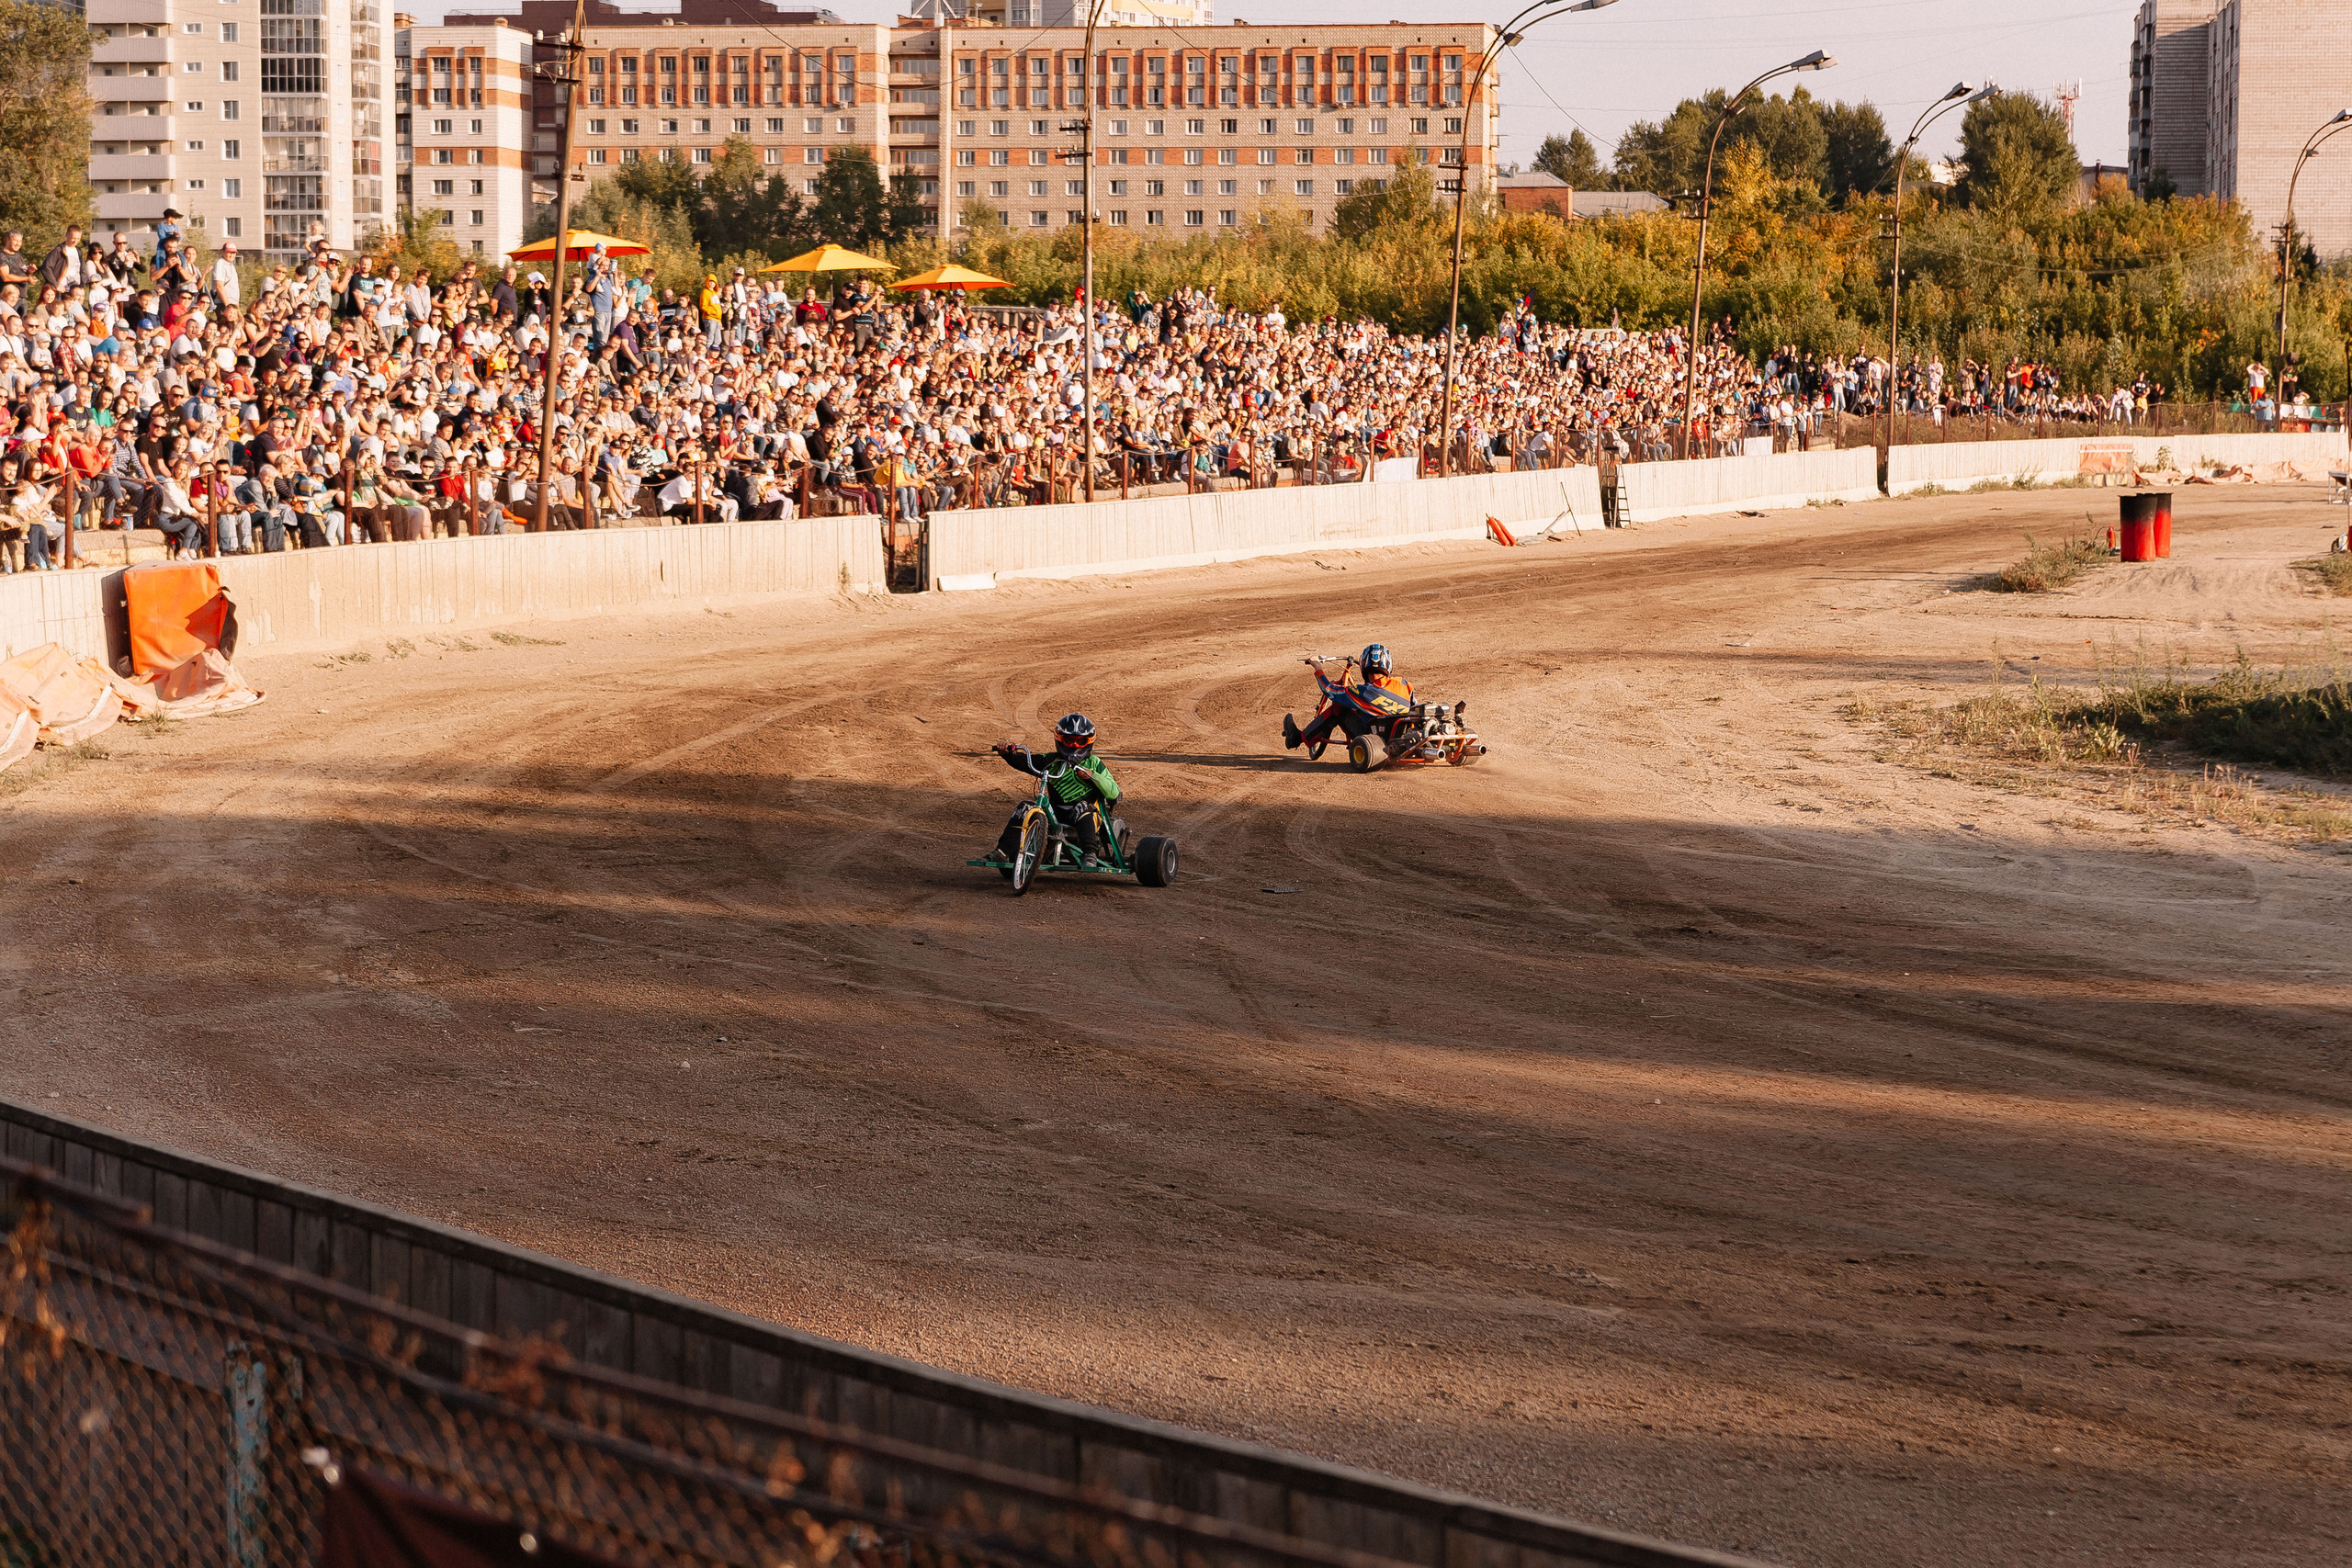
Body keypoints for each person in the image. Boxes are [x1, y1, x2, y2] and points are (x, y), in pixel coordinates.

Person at [993, 713, 1120, 867]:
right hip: (1054, 814)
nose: (1073, 746)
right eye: (1069, 740)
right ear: (1060, 739)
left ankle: (1090, 854)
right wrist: (1008, 754)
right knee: (1025, 807)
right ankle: (1002, 852)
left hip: (1086, 815)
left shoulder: (1094, 763)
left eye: (1079, 741)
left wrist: (1092, 775)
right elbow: (1026, 762)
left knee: (1082, 807)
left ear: (1088, 742)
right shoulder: (1051, 760)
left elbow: (1113, 792)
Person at [1283, 643, 1411, 751]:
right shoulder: (1404, 684)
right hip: (1402, 738)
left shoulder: (1363, 691)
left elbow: (1329, 690)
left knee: (1337, 708)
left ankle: (1297, 738)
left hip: (1374, 740)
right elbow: (1414, 706)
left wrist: (1318, 667)